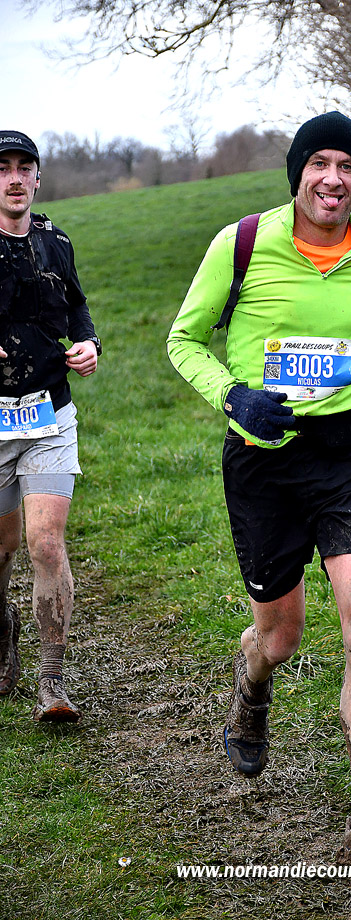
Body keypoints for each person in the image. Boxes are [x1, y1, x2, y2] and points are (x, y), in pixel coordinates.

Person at [167, 112, 351, 867]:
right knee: (280, 638)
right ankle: (251, 686)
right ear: (298, 174)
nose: (332, 179)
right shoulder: (243, 243)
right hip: (264, 462)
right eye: (319, 164)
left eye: (347, 167)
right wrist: (234, 398)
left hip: (347, 454)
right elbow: (183, 340)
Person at [0, 131, 102, 722]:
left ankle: (52, 681)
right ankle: (3, 627)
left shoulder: (55, 243)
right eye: (3, 168)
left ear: (38, 179)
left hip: (48, 414)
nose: (14, 178)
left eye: (24, 168)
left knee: (44, 542)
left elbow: (78, 306)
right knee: (2, 549)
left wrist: (89, 344)